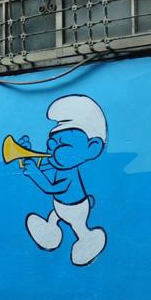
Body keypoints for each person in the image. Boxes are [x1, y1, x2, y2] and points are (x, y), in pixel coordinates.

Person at [18, 94, 107, 266]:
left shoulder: (69, 174)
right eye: (51, 143)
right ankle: (49, 230)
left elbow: (51, 188)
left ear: (92, 148)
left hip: (75, 208)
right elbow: (43, 168)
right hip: (60, 206)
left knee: (78, 227)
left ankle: (87, 239)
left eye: (63, 144)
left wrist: (34, 174)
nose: (52, 149)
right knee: (55, 216)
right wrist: (26, 153)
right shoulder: (58, 166)